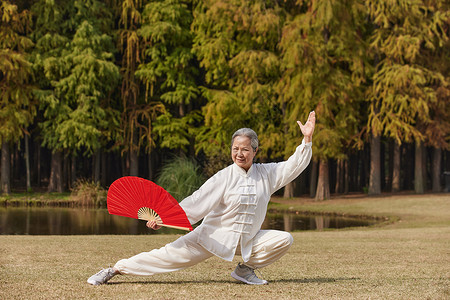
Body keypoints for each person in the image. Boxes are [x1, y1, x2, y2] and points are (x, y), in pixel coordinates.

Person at [87, 111, 316, 286]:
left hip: (247, 241)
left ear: (255, 151)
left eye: (245, 149)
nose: (239, 153)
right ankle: (115, 270)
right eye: (235, 148)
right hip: (211, 238)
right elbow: (197, 202)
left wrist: (306, 141)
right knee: (165, 256)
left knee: (284, 239)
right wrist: (163, 218)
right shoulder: (223, 177)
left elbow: (292, 167)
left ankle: (244, 270)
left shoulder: (267, 174)